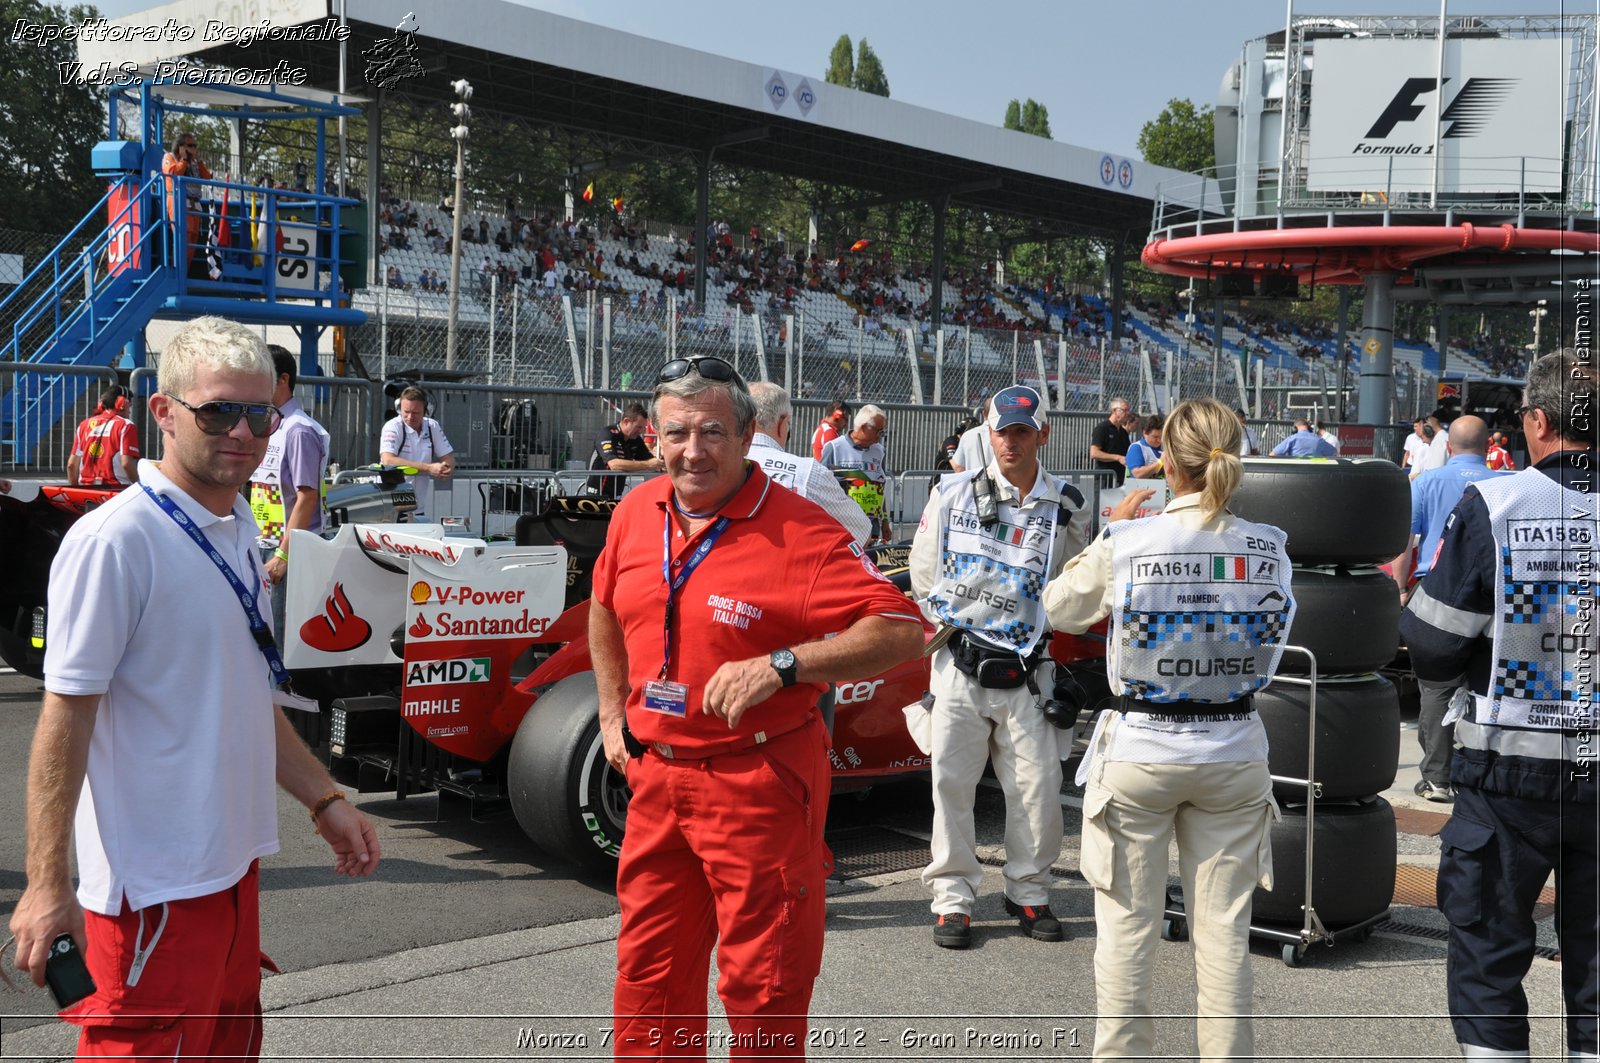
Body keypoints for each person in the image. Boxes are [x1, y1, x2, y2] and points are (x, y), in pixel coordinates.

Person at [7, 316, 379, 1060]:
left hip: (232, 876)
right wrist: (46, 882)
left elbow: (244, 698)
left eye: (258, 412)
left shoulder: (236, 523)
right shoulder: (117, 541)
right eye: (217, 410)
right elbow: (64, 723)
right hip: (150, 897)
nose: (242, 431)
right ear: (165, 411)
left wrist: (324, 797)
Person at [590, 355, 924, 1058]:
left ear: (748, 437)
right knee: (648, 981)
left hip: (760, 784)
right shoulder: (633, 512)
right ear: (652, 438)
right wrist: (610, 711)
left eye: (712, 431)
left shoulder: (797, 530)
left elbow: (898, 629)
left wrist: (786, 663)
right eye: (676, 433)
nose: (693, 450)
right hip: (658, 782)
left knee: (765, 988)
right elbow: (602, 605)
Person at [1043, 396, 1297, 1063]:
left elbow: (1059, 608)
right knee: (1224, 938)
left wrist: (1111, 532)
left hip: (1142, 747)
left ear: (1168, 466)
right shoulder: (1269, 549)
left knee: (1127, 933)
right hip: (1235, 744)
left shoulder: (1132, 540)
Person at [1399, 351, 1596, 1063]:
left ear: (1537, 422)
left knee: (1487, 964)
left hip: (1508, 777)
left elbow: (1430, 642)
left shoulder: (1496, 504)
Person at [909, 385, 1091, 949]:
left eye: (1022, 431)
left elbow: (1071, 588)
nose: (1011, 441)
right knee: (951, 786)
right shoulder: (951, 492)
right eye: (1001, 431)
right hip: (960, 667)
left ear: (1043, 433)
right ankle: (953, 900)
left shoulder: (1065, 505)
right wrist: (960, 628)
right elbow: (922, 573)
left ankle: (1029, 892)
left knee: (1037, 790)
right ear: (988, 433)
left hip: (1028, 673)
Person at [1392, 415, 1506, 803]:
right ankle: (1485, 772)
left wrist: (1401, 590)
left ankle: (1438, 777)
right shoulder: (1506, 483)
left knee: (1436, 687)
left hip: (1437, 592)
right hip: (1494, 594)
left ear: (1450, 446)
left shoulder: (1425, 482)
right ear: (1488, 445)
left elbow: (1405, 543)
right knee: (1487, 683)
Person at [249, 345, 330, 646]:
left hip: (286, 552)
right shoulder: (273, 424)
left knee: (279, 641)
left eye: (262, 376)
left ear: (283, 379)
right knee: (264, 634)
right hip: (266, 545)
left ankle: (279, 693)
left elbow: (306, 496)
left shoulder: (298, 430)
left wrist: (284, 554)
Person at [748, 382, 873, 545]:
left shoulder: (719, 466)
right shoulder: (827, 436)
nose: (845, 424)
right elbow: (862, 532)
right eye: (845, 419)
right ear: (781, 423)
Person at [379, 386, 455, 520]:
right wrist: (429, 468)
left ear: (426, 411)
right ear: (399, 409)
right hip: (391, 504)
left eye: (416, 412)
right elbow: (388, 460)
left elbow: (448, 457)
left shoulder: (432, 426)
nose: (410, 417)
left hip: (417, 507)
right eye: (406, 412)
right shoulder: (392, 426)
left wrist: (446, 468)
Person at [820, 404, 890, 540]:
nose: (880, 436)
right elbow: (820, 487)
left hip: (872, 528)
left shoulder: (879, 451)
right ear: (864, 427)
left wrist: (885, 521)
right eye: (878, 431)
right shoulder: (834, 448)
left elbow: (880, 487)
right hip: (843, 527)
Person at [67, 384, 140, 487]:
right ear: (122, 404)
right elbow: (126, 464)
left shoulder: (84, 425)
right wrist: (140, 485)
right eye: (129, 406)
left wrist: (74, 489)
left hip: (85, 489)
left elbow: (71, 465)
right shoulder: (126, 425)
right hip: (116, 489)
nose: (129, 411)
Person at [588, 403, 663, 499]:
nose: (641, 431)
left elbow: (652, 461)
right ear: (626, 421)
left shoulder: (635, 439)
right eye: (638, 427)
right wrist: (648, 464)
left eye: (643, 428)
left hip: (617, 494)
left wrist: (662, 464)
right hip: (597, 493)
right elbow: (614, 464)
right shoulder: (607, 434)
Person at [161, 132, 211, 267]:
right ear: (181, 146)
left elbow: (207, 177)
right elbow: (172, 173)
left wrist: (199, 161)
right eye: (190, 145)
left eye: (195, 145)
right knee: (183, 237)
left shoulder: (195, 162)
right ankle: (177, 271)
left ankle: (184, 272)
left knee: (193, 239)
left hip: (195, 203)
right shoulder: (169, 157)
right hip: (178, 201)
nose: (193, 148)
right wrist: (184, 160)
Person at [1089, 397, 1133, 487]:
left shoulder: (1123, 432)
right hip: (1105, 479)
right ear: (1114, 411)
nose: (1128, 413)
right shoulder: (1102, 428)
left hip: (1120, 478)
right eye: (1125, 410)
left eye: (1129, 410)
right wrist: (1117, 458)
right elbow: (1094, 453)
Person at [947, 398, 996, 473]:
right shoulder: (1005, 435)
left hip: (974, 483)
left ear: (983, 413)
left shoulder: (967, 435)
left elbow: (958, 467)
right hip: (1000, 482)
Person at [1124, 413, 1165, 479]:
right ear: (1145, 433)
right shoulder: (1137, 448)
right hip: (1141, 488)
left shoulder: (1163, 449)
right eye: (1155, 437)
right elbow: (1137, 474)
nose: (1159, 440)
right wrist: (1160, 462)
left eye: (1161, 436)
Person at [1270, 418, 1337, 458]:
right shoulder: (1319, 440)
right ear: (1309, 428)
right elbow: (1334, 453)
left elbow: (1272, 454)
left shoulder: (1292, 439)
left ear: (1295, 428)